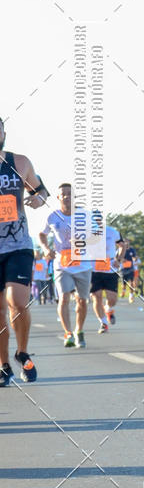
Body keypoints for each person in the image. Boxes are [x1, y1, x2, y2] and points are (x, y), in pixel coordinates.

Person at [0, 116, 47, 384]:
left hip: (18, 244)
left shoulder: (19, 162)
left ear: (4, 132)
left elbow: (40, 190)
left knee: (16, 301)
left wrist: (37, 199)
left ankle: (22, 352)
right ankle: (4, 366)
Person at [40, 183, 94, 349]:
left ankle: (79, 331)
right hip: (61, 264)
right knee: (63, 298)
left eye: (69, 193)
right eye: (63, 194)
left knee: (82, 301)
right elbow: (42, 234)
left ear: (74, 196)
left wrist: (82, 241)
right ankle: (68, 333)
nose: (66, 196)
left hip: (83, 264)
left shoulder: (85, 215)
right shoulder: (53, 217)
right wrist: (46, 248)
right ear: (58, 197)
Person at [89, 216, 124, 333]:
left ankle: (108, 309)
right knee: (96, 297)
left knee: (112, 299)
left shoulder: (112, 232)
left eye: (98, 220)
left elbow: (122, 246)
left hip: (110, 270)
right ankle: (103, 323)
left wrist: (118, 260)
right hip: (93, 270)